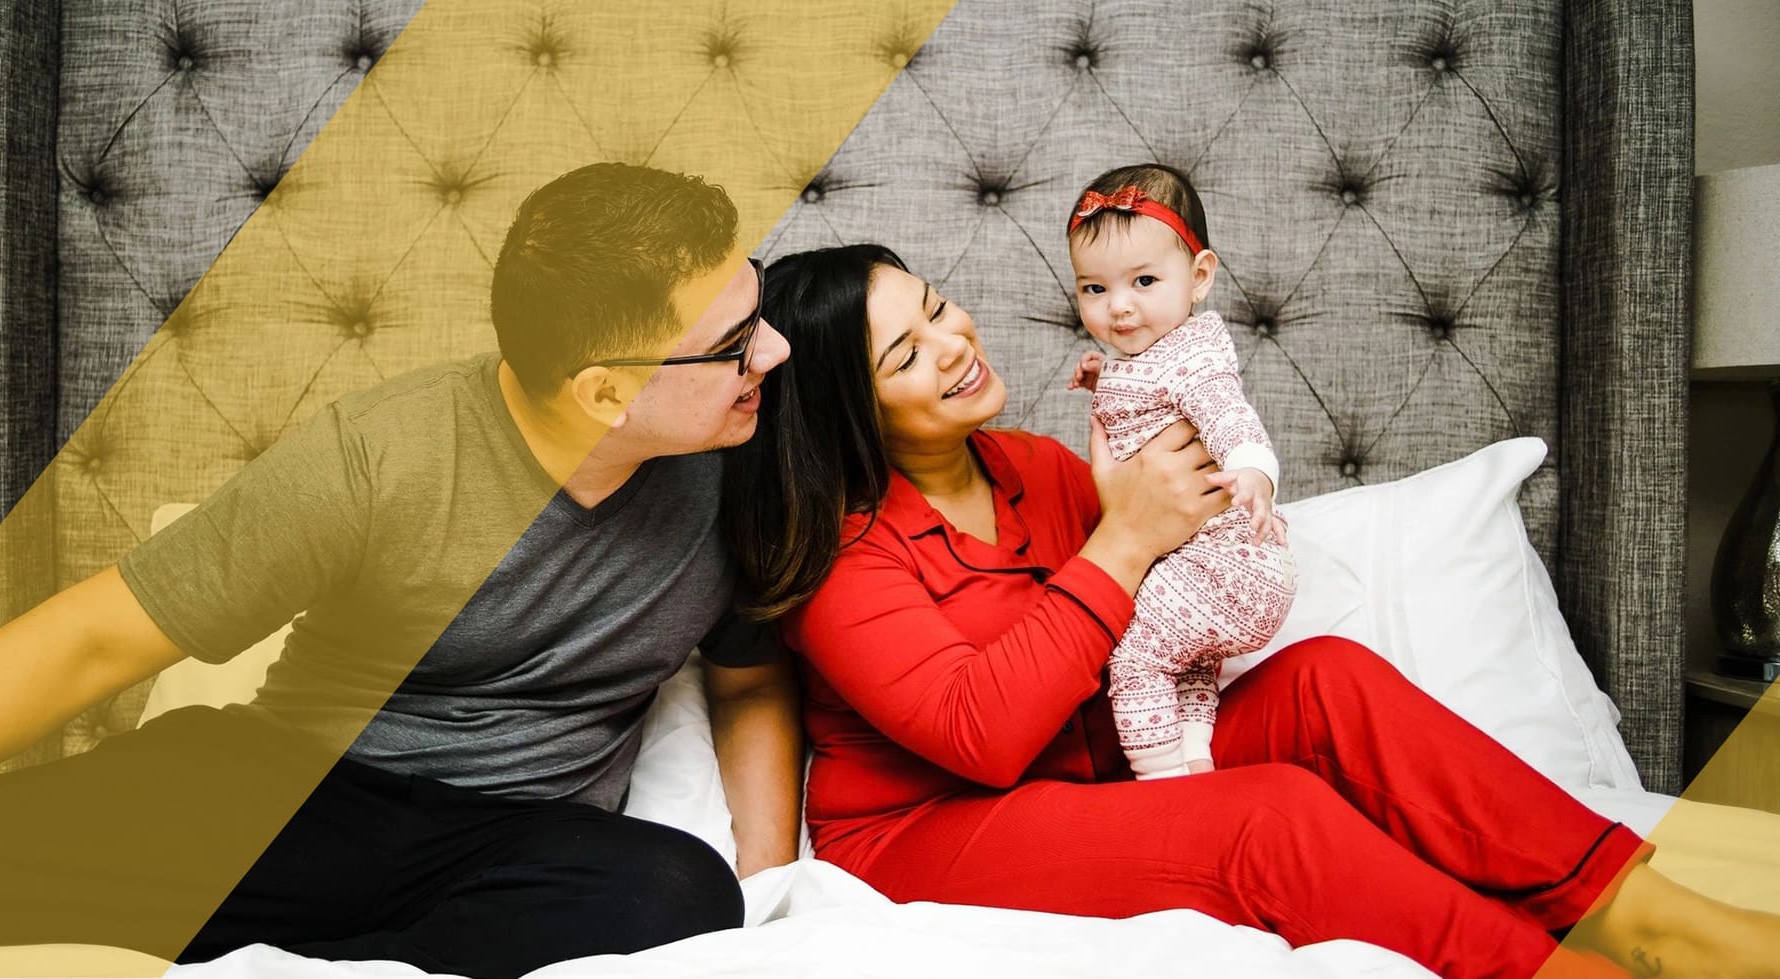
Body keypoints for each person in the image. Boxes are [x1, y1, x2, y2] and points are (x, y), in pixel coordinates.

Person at [722, 242, 1780, 979]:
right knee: (1266, 817)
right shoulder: (836, 553)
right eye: (904, 353)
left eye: (938, 306)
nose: (953, 343)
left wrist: (1205, 465)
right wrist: (1123, 537)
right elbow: (982, 734)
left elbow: (1170, 600)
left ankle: (1650, 914)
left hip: (1090, 758)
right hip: (926, 830)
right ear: (844, 409)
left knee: (1332, 677)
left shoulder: (1034, 465)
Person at [0, 163, 802, 979]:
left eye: (754, 311)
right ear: (604, 389)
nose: (775, 351)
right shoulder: (377, 453)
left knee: (672, 891)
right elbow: (91, 639)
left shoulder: (747, 456)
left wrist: (764, 887)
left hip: (510, 839)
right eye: (734, 347)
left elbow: (749, 677)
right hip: (293, 793)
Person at [1063, 163, 1296, 779]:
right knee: (1185, 665)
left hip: (1229, 570)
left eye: (1143, 280)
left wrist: (1253, 476)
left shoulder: (1196, 362)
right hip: (1208, 570)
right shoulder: (1156, 356)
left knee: (1135, 652)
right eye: (1093, 289)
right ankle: (1195, 760)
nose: (1118, 308)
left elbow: (1232, 420)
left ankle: (1160, 786)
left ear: (1198, 278)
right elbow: (1146, 399)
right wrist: (1102, 379)